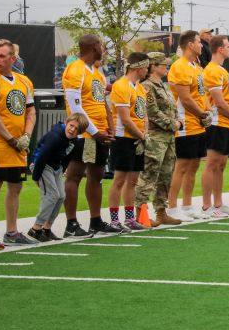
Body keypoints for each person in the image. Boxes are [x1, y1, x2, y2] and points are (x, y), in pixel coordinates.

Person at [0, 39, 37, 250]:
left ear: (13, 58)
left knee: (16, 186)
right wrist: (12, 140)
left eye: (2, 56)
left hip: (19, 143)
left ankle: (11, 232)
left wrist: (26, 136)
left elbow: (31, 111)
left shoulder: (24, 82)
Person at [62, 33, 119, 237]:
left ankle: (96, 220)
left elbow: (104, 102)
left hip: (101, 133)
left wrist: (110, 127)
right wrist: (94, 132)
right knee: (75, 175)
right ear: (94, 46)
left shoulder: (96, 72)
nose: (103, 48)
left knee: (97, 176)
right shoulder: (75, 70)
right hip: (84, 134)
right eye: (101, 45)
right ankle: (71, 223)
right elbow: (76, 109)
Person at [167, 31, 210, 222]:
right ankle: (172, 207)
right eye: (199, 42)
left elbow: (201, 93)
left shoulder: (197, 66)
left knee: (193, 165)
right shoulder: (180, 66)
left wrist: (207, 112)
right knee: (182, 165)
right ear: (190, 45)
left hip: (199, 123)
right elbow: (184, 98)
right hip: (185, 122)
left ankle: (187, 204)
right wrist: (201, 113)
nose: (202, 45)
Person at [135, 52, 181, 227]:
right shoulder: (147, 86)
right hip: (155, 137)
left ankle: (161, 211)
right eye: (164, 65)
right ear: (153, 66)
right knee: (149, 174)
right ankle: (141, 212)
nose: (167, 67)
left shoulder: (162, 85)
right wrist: (172, 124)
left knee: (166, 175)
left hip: (168, 138)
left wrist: (177, 120)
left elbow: (171, 106)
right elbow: (152, 111)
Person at [28, 113, 88, 241]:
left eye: (76, 129)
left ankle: (47, 228)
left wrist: (61, 171)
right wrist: (36, 176)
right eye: (71, 125)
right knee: (52, 195)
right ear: (67, 123)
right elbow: (42, 156)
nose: (72, 130)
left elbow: (67, 158)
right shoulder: (55, 136)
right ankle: (36, 229)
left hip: (56, 167)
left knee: (61, 196)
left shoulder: (74, 141)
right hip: (42, 165)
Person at [107, 53, 150, 231]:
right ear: (138, 67)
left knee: (133, 180)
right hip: (123, 138)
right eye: (146, 67)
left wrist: (144, 132)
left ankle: (130, 218)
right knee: (119, 179)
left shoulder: (140, 88)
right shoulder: (121, 86)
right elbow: (125, 119)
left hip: (137, 138)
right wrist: (141, 135)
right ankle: (114, 219)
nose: (147, 70)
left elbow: (143, 115)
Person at [201, 35, 229, 217]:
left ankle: (218, 203)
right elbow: (218, 101)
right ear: (220, 49)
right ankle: (207, 205)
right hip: (217, 122)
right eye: (228, 46)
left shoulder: (222, 71)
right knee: (212, 163)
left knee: (221, 164)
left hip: (225, 122)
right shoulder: (212, 71)